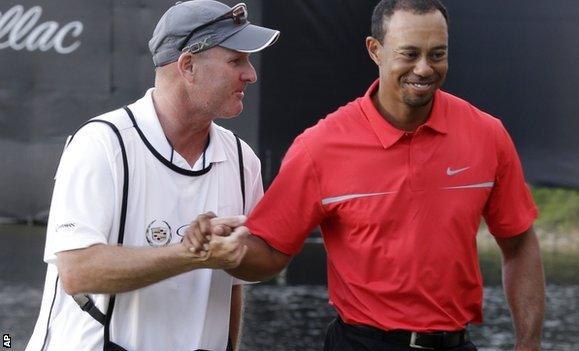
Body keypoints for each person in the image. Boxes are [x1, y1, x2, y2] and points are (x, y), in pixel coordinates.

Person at [184, 0, 545, 350]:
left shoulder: (487, 135)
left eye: (437, 54)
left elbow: (519, 243)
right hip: (361, 342)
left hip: (455, 341)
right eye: (409, 53)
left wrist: (528, 344)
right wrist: (228, 251)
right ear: (375, 50)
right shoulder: (320, 147)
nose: (424, 68)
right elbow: (270, 252)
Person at [26, 1, 279, 350]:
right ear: (188, 66)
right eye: (236, 60)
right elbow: (78, 271)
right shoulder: (102, 143)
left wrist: (238, 252)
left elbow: (238, 284)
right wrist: (191, 254)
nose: (251, 74)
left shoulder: (242, 159)